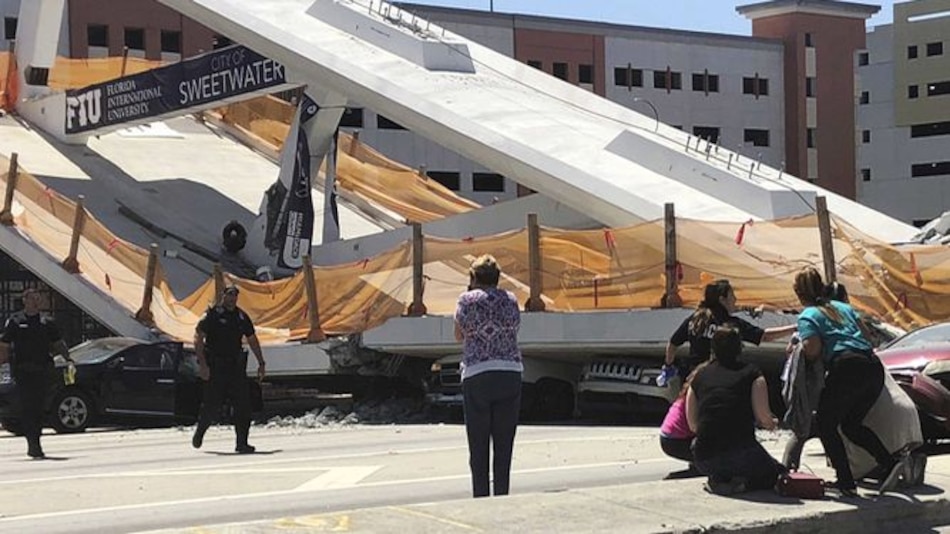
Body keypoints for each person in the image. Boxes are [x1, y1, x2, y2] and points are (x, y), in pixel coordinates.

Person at [793, 267, 905, 497]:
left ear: (799, 294)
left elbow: (812, 350)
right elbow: (867, 337)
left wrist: (798, 347)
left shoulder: (808, 316)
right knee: (851, 424)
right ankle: (889, 462)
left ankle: (846, 482)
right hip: (872, 367)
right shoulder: (843, 308)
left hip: (846, 368)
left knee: (825, 423)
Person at [686, 326, 786, 495]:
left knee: (725, 462)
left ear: (713, 348)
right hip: (739, 450)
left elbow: (693, 424)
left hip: (703, 457)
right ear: (740, 348)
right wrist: (772, 423)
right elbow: (763, 417)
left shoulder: (699, 376)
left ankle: (720, 479)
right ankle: (740, 485)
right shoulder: (752, 373)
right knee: (774, 473)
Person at [454, 254, 523, 498]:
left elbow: (458, 335)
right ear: (497, 278)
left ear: (473, 278)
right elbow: (515, 328)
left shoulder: (466, 300)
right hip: (509, 372)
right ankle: (502, 494)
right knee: (504, 444)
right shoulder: (511, 299)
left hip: (478, 374)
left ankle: (481, 497)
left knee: (478, 444)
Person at [660, 279, 796, 386]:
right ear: (722, 299)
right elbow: (763, 336)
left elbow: (672, 343)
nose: (735, 300)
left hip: (695, 379)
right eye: (732, 296)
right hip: (719, 379)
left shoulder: (695, 319)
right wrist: (794, 328)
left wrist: (668, 366)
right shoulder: (729, 324)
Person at [191, 284, 266, 454]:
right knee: (212, 405)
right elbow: (198, 338)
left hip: (235, 368)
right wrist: (203, 364)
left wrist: (261, 362)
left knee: (243, 406)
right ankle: (200, 431)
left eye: (235, 296)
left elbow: (252, 339)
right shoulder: (213, 315)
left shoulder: (241, 316)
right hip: (216, 367)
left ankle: (242, 443)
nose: (232, 299)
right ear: (223, 296)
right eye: (229, 295)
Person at [0, 288, 71, 459]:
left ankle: (36, 439)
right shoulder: (15, 321)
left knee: (39, 407)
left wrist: (68, 358)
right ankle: (33, 443)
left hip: (42, 371)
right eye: (32, 298)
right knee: (27, 408)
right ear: (25, 300)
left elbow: (58, 343)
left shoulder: (47, 322)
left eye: (38, 299)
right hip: (23, 371)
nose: (36, 302)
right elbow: (4, 344)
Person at [659, 365, 703, 476]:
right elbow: (694, 426)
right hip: (675, 440)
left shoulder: (686, 393)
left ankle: (696, 464)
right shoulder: (695, 394)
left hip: (669, 436)